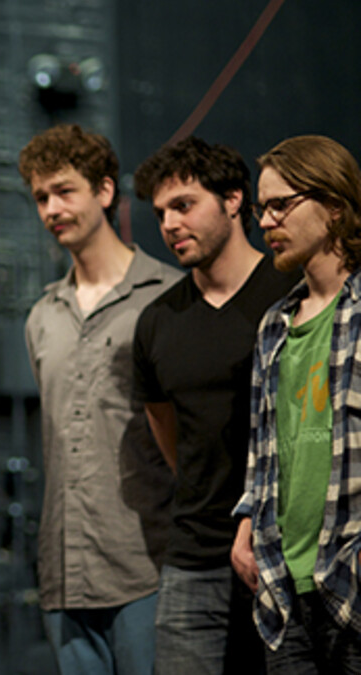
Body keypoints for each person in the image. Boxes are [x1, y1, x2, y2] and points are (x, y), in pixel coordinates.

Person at [131, 136, 297, 674]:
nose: (169, 224)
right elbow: (167, 430)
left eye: (183, 205)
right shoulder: (159, 321)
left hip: (285, 549)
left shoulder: (289, 291)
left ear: (232, 201)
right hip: (195, 552)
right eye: (160, 213)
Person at [19, 124, 180, 675]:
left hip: (146, 567)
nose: (51, 208)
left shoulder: (167, 299)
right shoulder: (42, 316)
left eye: (65, 191)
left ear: (105, 192)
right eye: (41, 197)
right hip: (65, 575)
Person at [231, 135, 361, 673]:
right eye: (262, 208)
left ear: (333, 206)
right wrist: (246, 525)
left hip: (349, 575)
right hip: (284, 589)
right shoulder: (274, 326)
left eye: (281, 204)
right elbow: (266, 446)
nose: (266, 221)